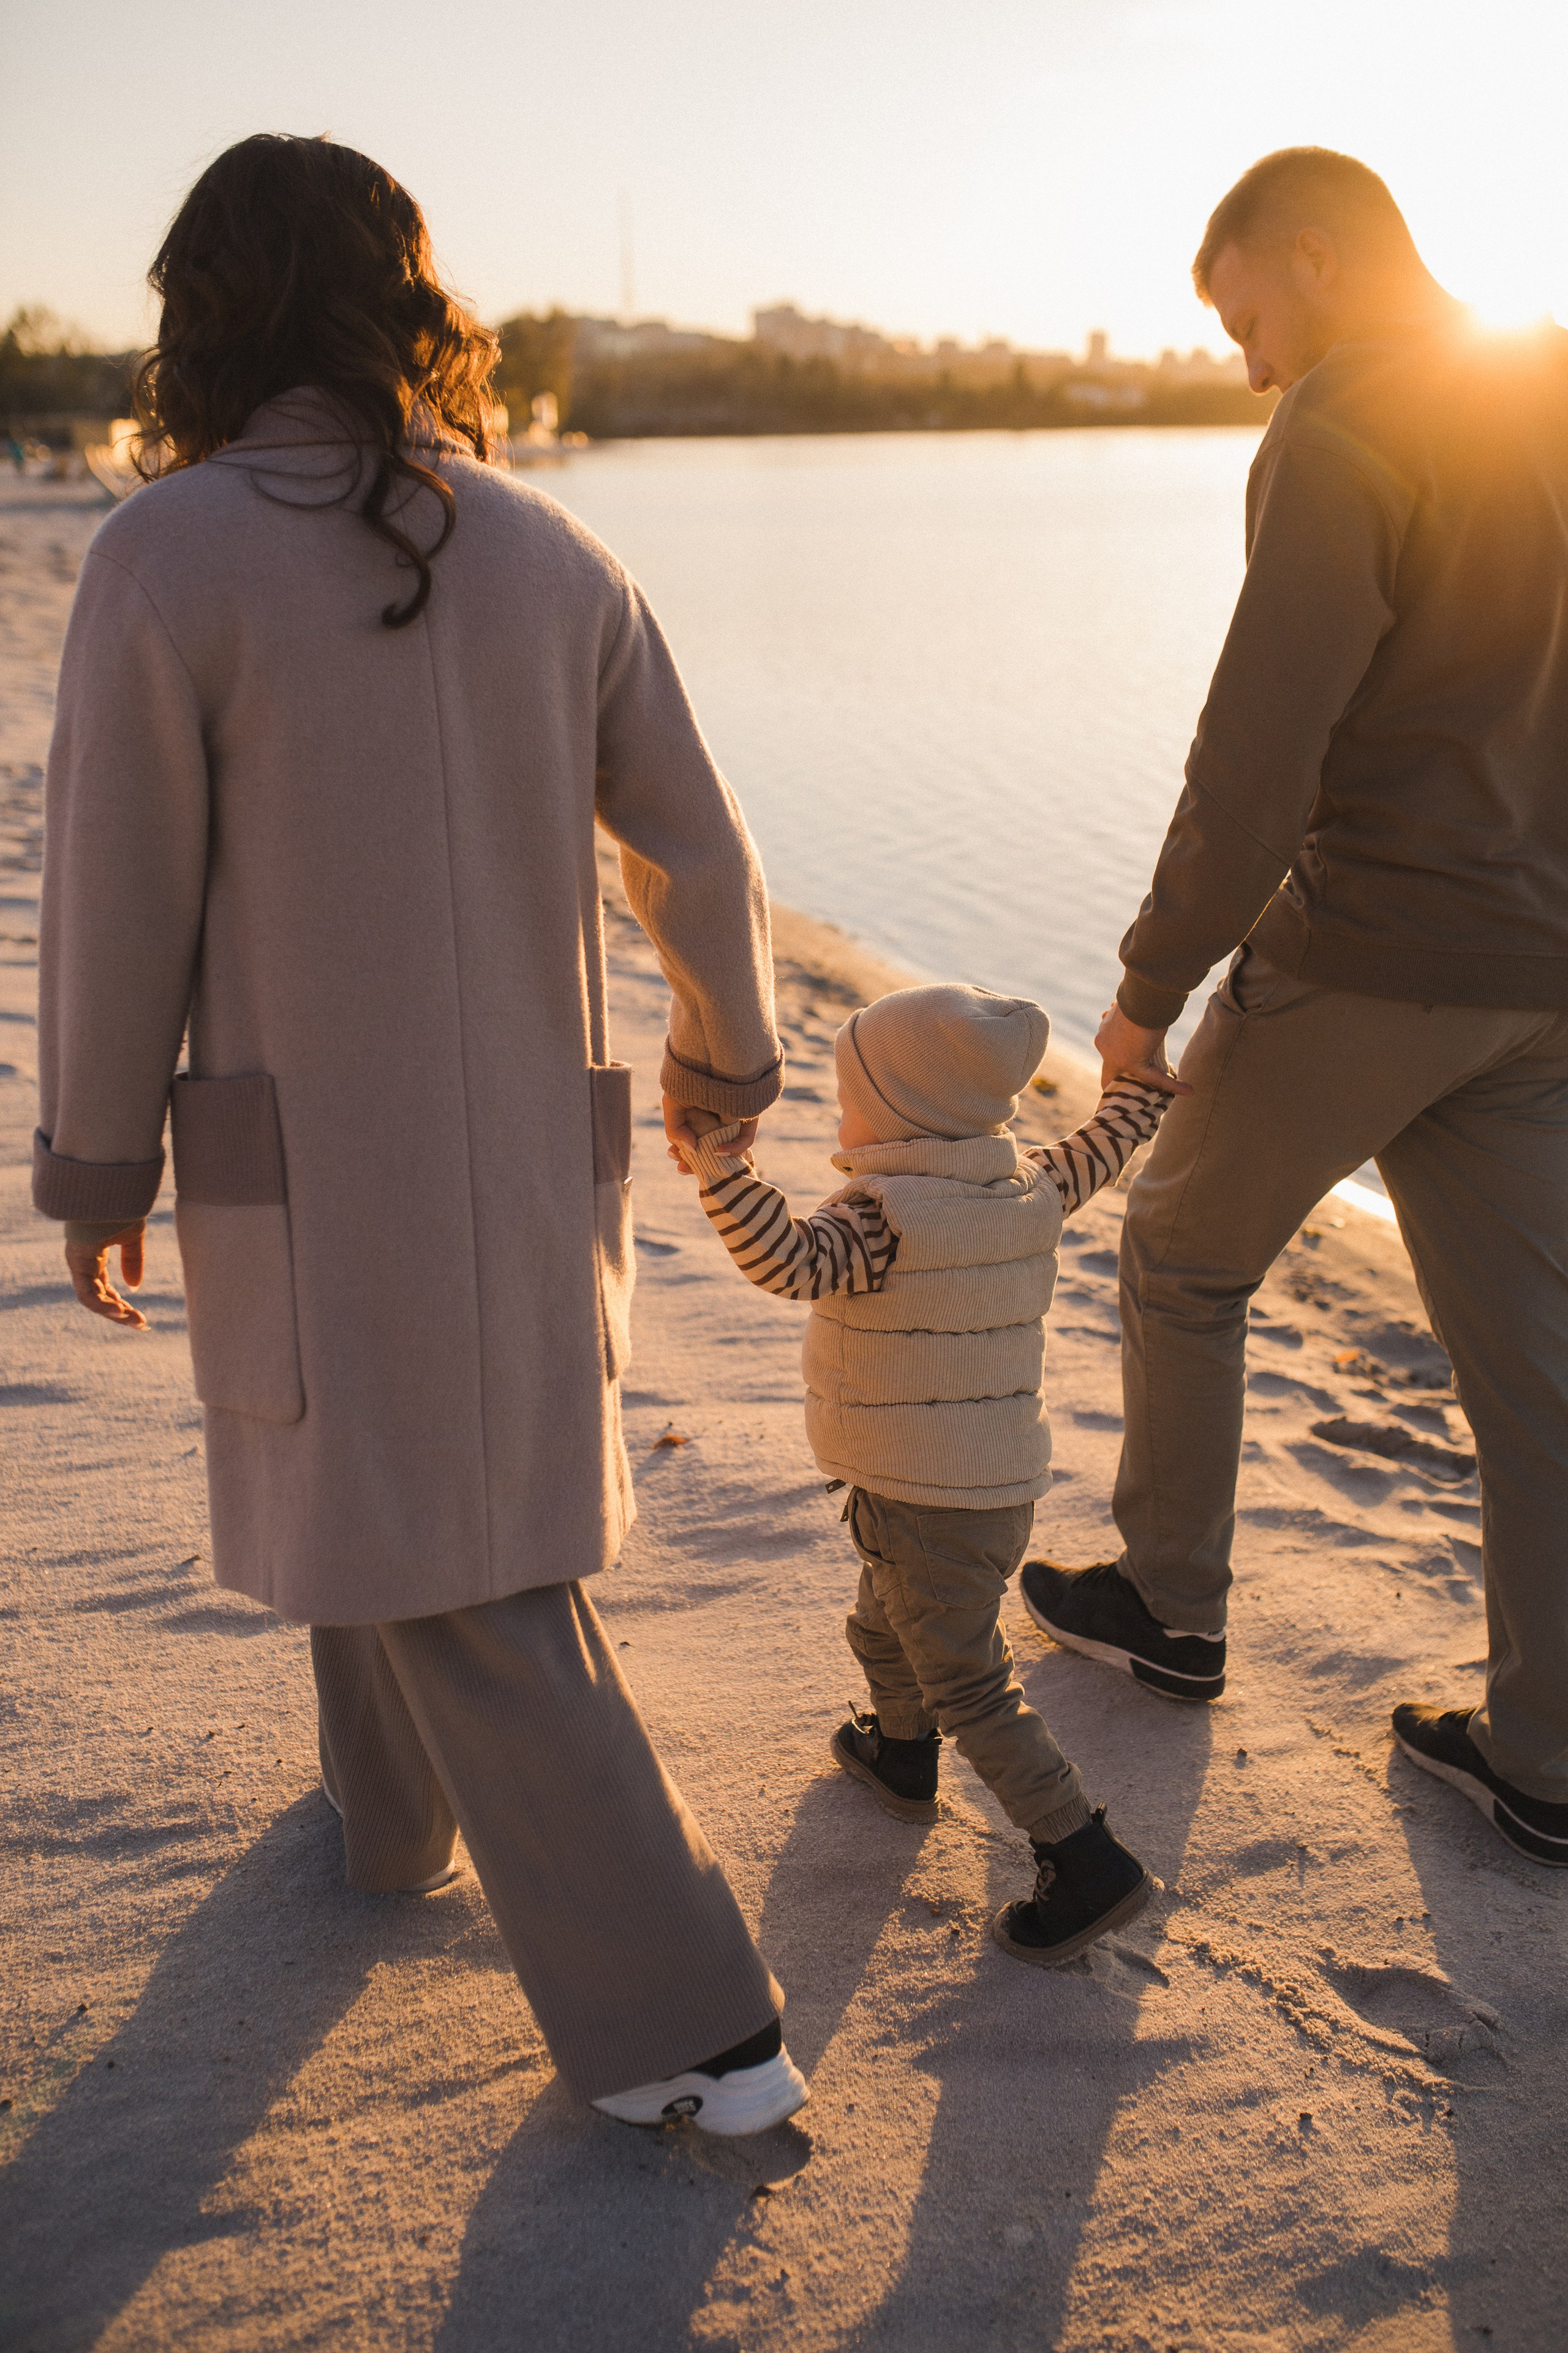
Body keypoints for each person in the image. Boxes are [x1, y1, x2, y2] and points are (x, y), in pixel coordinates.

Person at [34, 133, 808, 2134]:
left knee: (456, 1554)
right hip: (532, 1154)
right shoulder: (555, 551)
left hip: (322, 1155)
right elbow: (701, 853)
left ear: (202, 315)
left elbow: (115, 893)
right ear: (407, 305)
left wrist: (97, 1156)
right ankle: (392, 1830)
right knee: (404, 1484)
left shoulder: (170, 554)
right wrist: (730, 1055)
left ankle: (697, 2030)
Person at [1022, 146, 1568, 1872]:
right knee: (1539, 1376)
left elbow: (1261, 750)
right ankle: (1550, 1753)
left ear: (1315, 260)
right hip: (1543, 975)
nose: (1251, 365)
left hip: (1376, 948)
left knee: (1179, 1254)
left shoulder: (1342, 425)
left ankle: (1171, 1605)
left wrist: (1147, 984)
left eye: (1250, 319)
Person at [674, 981, 1168, 1963]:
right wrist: (1138, 1094)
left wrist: (719, 1169)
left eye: (855, 1096)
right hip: (995, 1489)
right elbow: (1102, 1147)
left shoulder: (881, 1219)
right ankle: (902, 1756)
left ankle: (1083, 1856)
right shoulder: (1031, 1188)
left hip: (917, 1492)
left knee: (971, 1684)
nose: (846, 1117)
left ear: (901, 1113)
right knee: (883, 1620)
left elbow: (785, 1260)